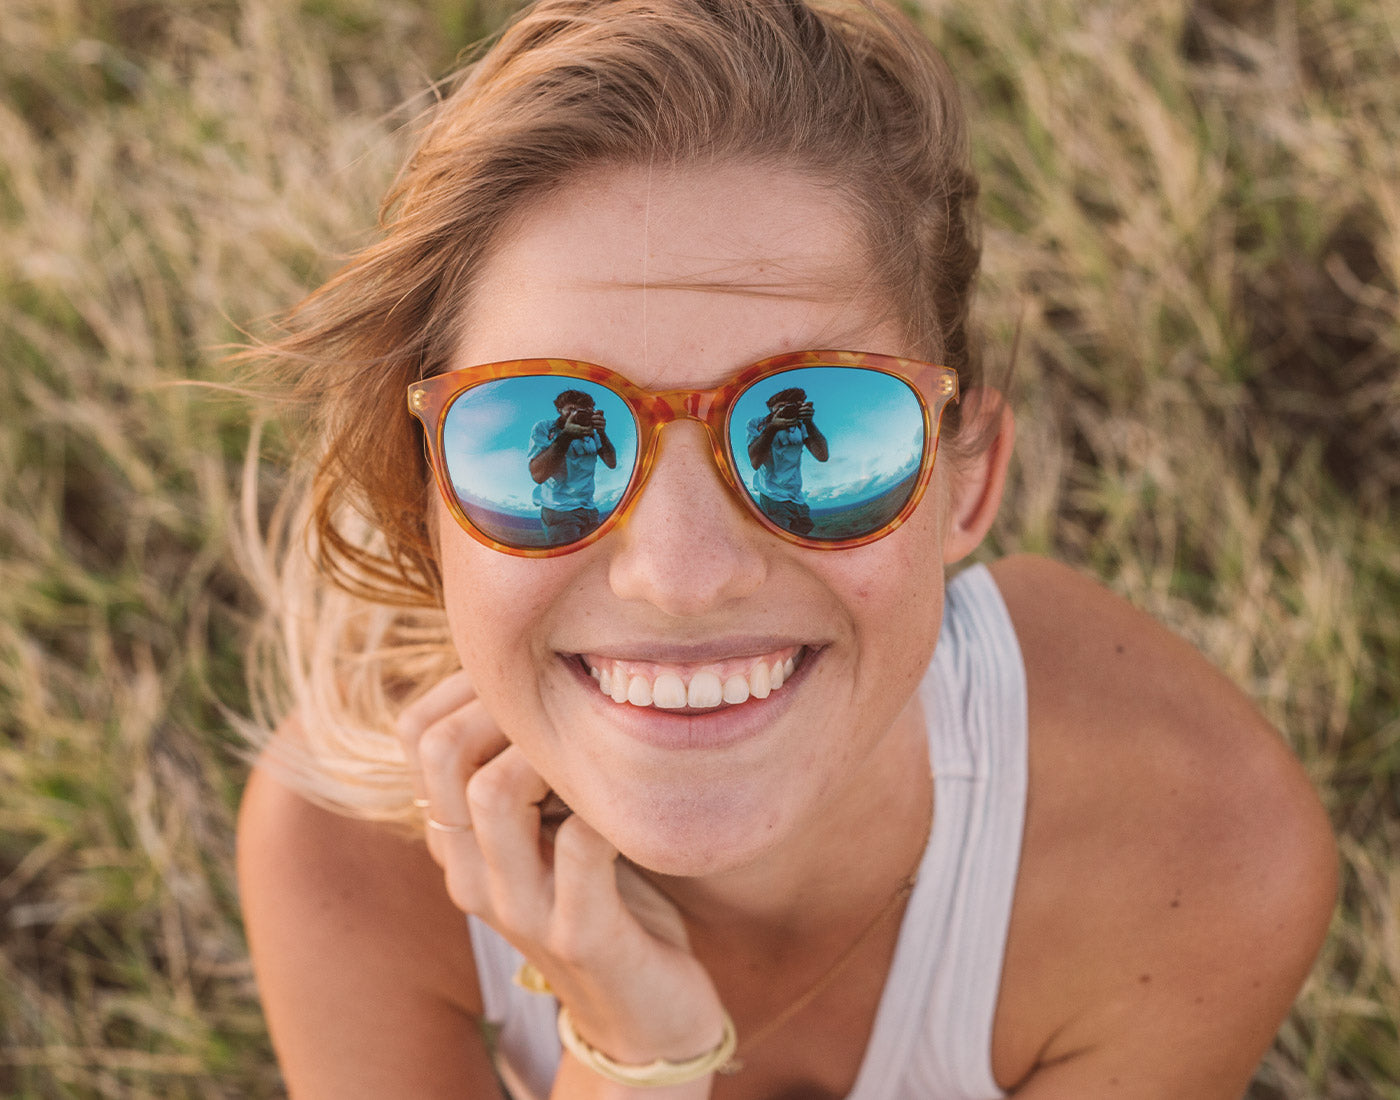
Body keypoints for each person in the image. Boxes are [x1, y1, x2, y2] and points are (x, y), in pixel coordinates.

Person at [235, 1, 1337, 1097]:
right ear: (428, 500)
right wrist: (634, 1054)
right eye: (546, 432)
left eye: (813, 433)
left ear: (966, 480)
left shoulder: (1195, 859)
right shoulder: (340, 857)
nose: (678, 574)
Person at [528, 389, 618, 545]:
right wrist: (567, 435)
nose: (577, 415)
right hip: (559, 510)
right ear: (559, 410)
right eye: (571, 409)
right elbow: (538, 475)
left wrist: (602, 433)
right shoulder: (545, 428)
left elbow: (611, 463)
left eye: (584, 411)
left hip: (589, 508)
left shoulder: (592, 434)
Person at [746, 387, 828, 536]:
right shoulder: (758, 424)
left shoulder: (801, 426)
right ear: (771, 409)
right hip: (772, 496)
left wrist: (809, 422)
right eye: (781, 407)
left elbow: (822, 456)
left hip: (797, 497)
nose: (787, 410)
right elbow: (755, 462)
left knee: (803, 538)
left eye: (792, 406)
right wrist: (772, 428)